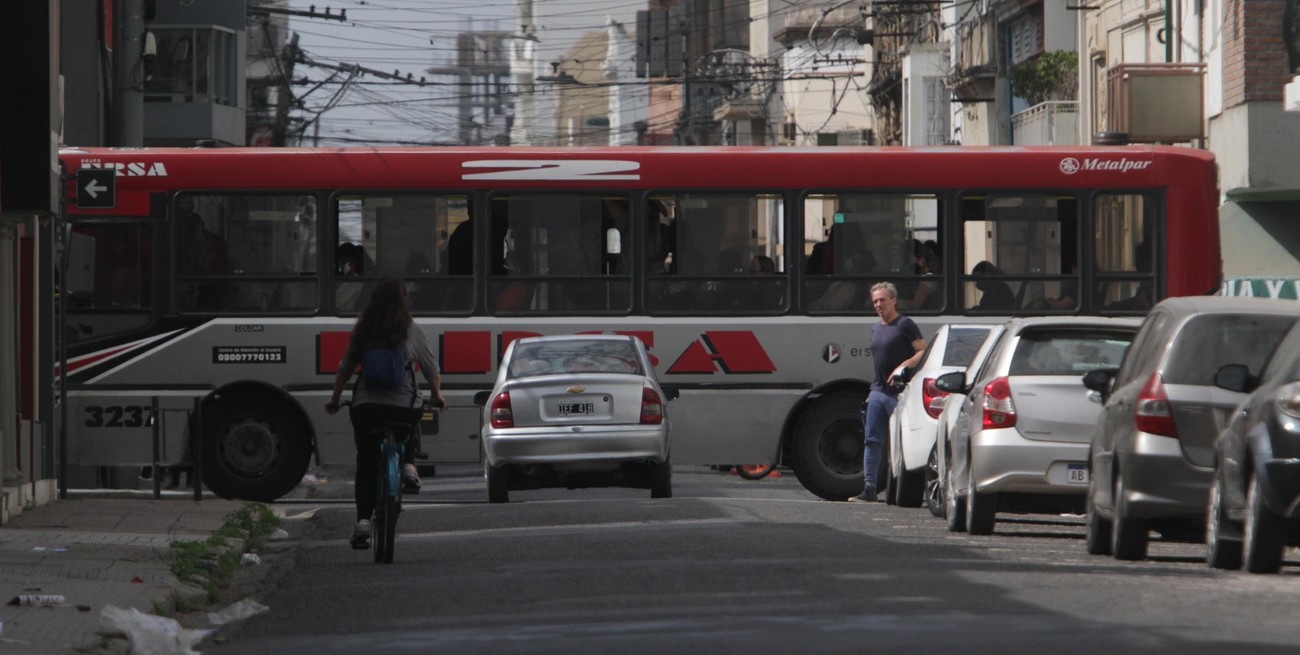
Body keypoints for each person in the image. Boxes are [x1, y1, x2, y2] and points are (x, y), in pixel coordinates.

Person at [325, 277, 447, 549]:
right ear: (402, 300)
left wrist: (335, 399)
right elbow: (431, 369)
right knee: (414, 411)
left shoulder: (364, 329)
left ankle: (362, 523)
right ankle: (408, 465)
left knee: (367, 463)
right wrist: (437, 395)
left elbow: (345, 369)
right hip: (404, 408)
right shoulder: (413, 329)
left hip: (367, 408)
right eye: (406, 295)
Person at [849, 282, 926, 502]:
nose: (878, 305)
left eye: (882, 300)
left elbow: (923, 350)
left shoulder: (905, 324)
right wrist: (872, 391)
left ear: (893, 300)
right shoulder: (876, 328)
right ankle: (869, 488)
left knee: (902, 442)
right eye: (875, 301)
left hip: (900, 394)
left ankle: (906, 490)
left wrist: (905, 365)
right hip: (878, 392)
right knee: (871, 441)